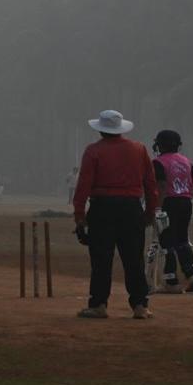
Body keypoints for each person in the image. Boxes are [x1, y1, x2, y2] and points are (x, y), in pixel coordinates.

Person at [72, 110, 158, 320]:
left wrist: (80, 216)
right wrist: (150, 212)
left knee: (101, 260)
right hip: (131, 208)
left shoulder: (93, 151)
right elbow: (150, 185)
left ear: (101, 129)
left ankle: (99, 304)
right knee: (134, 260)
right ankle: (140, 305)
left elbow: (83, 186)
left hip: (103, 208)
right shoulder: (139, 149)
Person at [151, 130, 193, 293]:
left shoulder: (158, 162)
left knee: (167, 243)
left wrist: (157, 208)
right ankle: (192, 274)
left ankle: (171, 281)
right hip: (186, 202)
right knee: (182, 240)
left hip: (168, 203)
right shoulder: (186, 161)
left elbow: (162, 186)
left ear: (160, 145)